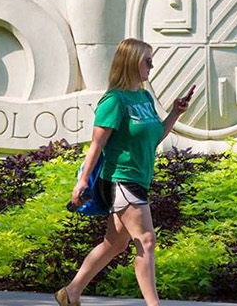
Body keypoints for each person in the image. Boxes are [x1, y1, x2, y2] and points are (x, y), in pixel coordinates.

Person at [55, 38, 193, 306]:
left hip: (139, 179)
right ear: (131, 62)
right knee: (147, 239)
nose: (151, 66)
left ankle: (70, 293)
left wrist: (175, 113)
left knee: (115, 244)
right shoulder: (114, 101)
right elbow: (97, 144)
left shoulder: (143, 97)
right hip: (120, 178)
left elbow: (152, 139)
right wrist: (82, 181)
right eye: (147, 61)